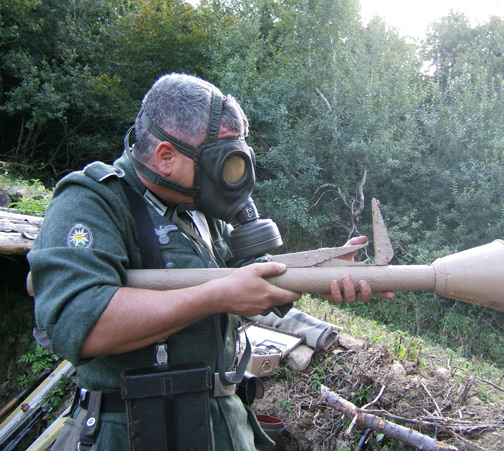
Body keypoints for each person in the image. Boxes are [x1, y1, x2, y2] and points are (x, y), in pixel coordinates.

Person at [28, 73, 390, 450]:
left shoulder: (200, 210)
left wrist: (321, 269)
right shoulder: (93, 201)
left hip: (223, 426)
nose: (233, 180)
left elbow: (256, 278)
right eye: (222, 162)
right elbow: (79, 324)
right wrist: (217, 296)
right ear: (165, 156)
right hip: (134, 432)